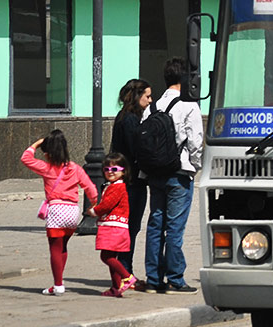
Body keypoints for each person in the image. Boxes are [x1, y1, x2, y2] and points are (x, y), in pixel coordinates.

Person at [138, 57, 203, 294]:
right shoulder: (189, 105)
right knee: (175, 228)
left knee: (156, 224)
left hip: (155, 174)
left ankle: (153, 278)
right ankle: (176, 277)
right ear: (185, 79)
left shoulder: (152, 107)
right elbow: (196, 142)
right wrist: (194, 166)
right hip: (179, 173)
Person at [21, 129, 98, 296]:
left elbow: (25, 158)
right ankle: (59, 282)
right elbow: (90, 188)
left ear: (48, 153)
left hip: (56, 210)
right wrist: (94, 204)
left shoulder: (46, 168)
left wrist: (37, 143)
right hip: (72, 211)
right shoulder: (75, 168)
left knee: (54, 249)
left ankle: (58, 285)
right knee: (63, 246)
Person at [109, 78, 151, 279]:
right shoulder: (131, 121)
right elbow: (137, 151)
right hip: (132, 183)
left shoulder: (123, 117)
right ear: (137, 97)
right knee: (130, 228)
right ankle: (126, 272)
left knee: (127, 228)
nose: (150, 101)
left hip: (127, 181)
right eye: (147, 96)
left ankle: (124, 271)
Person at [86, 152, 137, 297]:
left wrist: (94, 211)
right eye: (106, 169)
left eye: (114, 170)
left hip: (113, 227)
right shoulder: (114, 186)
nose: (110, 172)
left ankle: (127, 277)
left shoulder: (117, 188)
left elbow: (107, 205)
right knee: (111, 257)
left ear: (123, 171)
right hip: (116, 226)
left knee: (106, 257)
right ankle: (116, 288)